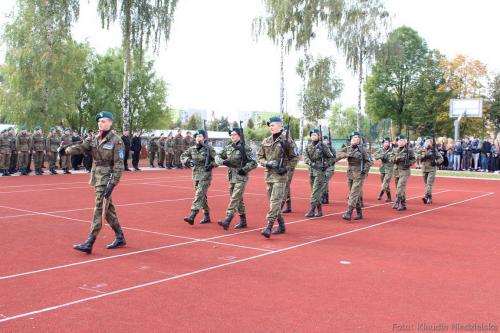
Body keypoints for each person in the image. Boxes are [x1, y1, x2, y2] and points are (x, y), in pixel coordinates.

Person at [64, 111, 126, 254]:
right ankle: (120, 236)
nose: (101, 123)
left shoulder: (117, 141)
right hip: (96, 176)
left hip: (107, 178)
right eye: (99, 121)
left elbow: (119, 165)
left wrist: (112, 183)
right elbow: (82, 147)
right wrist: (67, 150)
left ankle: (90, 241)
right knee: (108, 209)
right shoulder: (94, 138)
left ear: (110, 123)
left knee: (99, 206)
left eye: (104, 121)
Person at [256, 117, 299, 238]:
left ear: (280, 126)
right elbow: (259, 157)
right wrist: (267, 163)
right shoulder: (266, 141)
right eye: (270, 125)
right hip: (269, 175)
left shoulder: (287, 141)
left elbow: (295, 158)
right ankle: (281, 225)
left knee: (275, 201)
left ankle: (269, 226)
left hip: (280, 176)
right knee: (272, 202)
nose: (271, 127)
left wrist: (286, 168)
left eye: (273, 125)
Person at [216, 127, 257, 230]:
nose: (232, 136)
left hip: (241, 176)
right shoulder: (229, 147)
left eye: (234, 134)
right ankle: (243, 221)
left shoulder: (245, 148)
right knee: (237, 199)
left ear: (239, 135)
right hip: (231, 175)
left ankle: (228, 219)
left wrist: (245, 169)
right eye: (231, 135)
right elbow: (217, 156)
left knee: (235, 198)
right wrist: (223, 162)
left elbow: (254, 162)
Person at [181, 129, 217, 225]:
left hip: (205, 175)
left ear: (204, 138)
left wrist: (211, 165)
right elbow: (182, 156)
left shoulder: (209, 148)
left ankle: (192, 215)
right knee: (202, 196)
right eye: (197, 136)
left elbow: (218, 159)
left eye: (200, 136)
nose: (198, 138)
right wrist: (189, 160)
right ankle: (206, 215)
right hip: (196, 175)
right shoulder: (192, 149)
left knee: (199, 194)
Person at [336, 131, 372, 221]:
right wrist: (347, 154)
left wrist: (365, 170)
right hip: (350, 173)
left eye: (356, 137)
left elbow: (369, 161)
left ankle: (349, 212)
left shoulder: (363, 149)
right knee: (356, 194)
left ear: (359, 139)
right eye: (353, 137)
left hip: (359, 173)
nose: (354, 139)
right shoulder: (348, 148)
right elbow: (337, 155)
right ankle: (359, 213)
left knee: (353, 193)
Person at [303, 128, 334, 218]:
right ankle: (319, 211)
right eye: (312, 135)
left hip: (320, 171)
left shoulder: (323, 146)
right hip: (312, 171)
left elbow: (332, 157)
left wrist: (326, 164)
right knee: (314, 191)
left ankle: (312, 210)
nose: (313, 136)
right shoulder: (308, 146)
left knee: (315, 191)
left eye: (315, 135)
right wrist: (311, 163)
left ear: (319, 136)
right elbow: (305, 157)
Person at [390, 135, 416, 211]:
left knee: (400, 187)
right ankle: (403, 204)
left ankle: (397, 201)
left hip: (405, 170)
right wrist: (396, 159)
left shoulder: (409, 150)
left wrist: (409, 163)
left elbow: (414, 159)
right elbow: (390, 158)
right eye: (399, 141)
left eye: (402, 140)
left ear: (405, 141)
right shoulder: (395, 150)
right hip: (396, 171)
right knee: (400, 188)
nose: (400, 142)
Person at [420, 137, 443, 204]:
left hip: (432, 169)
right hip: (424, 169)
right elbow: (418, 157)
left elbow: (441, 158)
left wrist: (436, 162)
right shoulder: (423, 149)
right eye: (426, 142)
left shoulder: (434, 150)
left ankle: (426, 196)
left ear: (431, 143)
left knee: (429, 184)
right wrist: (423, 157)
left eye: (428, 142)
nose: (427, 143)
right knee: (426, 184)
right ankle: (430, 197)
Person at [281, 125, 298, 213]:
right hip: (280, 167)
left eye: (285, 132)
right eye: (282, 131)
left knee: (285, 185)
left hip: (288, 168)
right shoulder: (280, 141)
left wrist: (289, 167)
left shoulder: (291, 143)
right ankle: (288, 206)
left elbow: (295, 158)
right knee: (285, 185)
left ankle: (280, 206)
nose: (283, 133)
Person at [373, 136, 394, 202]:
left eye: (387, 142)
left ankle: (381, 194)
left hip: (389, 168)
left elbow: (393, 158)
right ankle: (389, 197)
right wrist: (381, 156)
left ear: (389, 143)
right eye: (385, 142)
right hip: (382, 168)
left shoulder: (392, 150)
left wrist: (388, 157)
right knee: (384, 183)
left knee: (385, 182)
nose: (386, 143)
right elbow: (375, 155)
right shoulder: (380, 149)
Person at [321, 135, 336, 205]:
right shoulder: (320, 148)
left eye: (325, 140)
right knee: (324, 182)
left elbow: (333, 159)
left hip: (330, 168)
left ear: (328, 141)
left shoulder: (331, 149)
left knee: (324, 180)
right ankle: (325, 197)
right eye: (323, 140)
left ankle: (323, 196)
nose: (324, 141)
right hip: (323, 168)